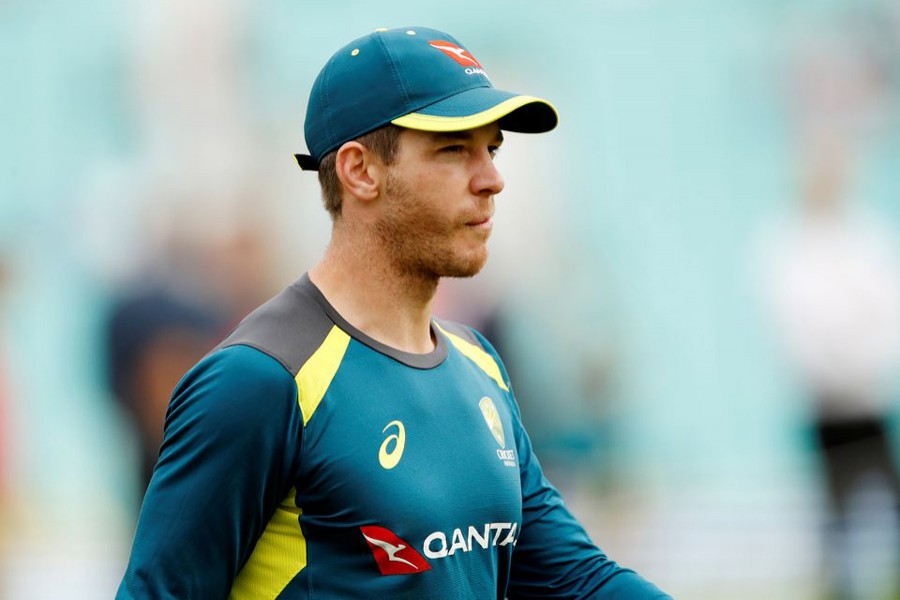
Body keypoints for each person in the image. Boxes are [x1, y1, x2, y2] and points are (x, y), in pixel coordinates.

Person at [117, 26, 670, 599]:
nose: (492, 179)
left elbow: (576, 580)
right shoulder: (261, 380)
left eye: (492, 149)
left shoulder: (479, 365)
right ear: (360, 171)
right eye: (454, 149)